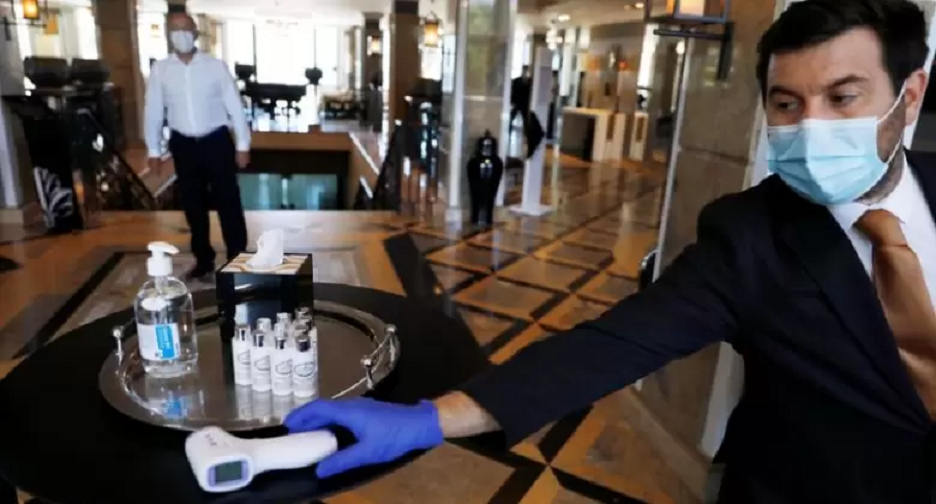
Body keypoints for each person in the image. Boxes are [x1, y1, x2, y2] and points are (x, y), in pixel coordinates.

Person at [286, 0, 936, 501]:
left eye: (842, 98)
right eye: (787, 103)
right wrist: (427, 420)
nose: (811, 126)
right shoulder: (747, 236)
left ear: (909, 98)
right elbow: (608, 347)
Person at [144, 12, 250, 281]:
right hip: (183, 144)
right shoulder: (161, 70)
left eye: (185, 28)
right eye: (175, 29)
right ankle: (203, 260)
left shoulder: (215, 66)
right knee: (193, 205)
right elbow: (153, 111)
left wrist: (243, 145)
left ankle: (237, 259)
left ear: (195, 33)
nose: (180, 34)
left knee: (228, 202)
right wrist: (153, 150)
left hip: (216, 141)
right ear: (168, 34)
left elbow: (235, 106)